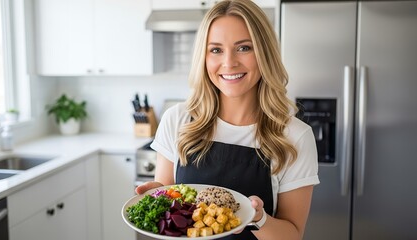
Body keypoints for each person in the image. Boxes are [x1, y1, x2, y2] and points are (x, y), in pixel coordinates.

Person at [136, 0, 319, 239]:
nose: (229, 62)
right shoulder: (177, 120)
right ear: (204, 57)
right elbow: (169, 198)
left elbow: (292, 235)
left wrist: (259, 218)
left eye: (244, 48)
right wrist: (157, 196)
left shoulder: (294, 136)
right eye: (216, 50)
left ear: (264, 53)